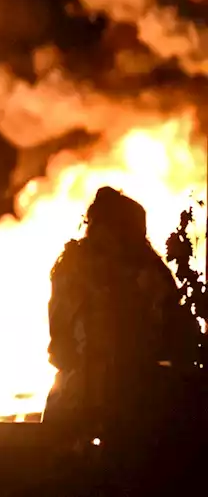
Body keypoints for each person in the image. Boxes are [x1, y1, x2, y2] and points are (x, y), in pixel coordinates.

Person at [44, 187, 201, 486]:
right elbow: (174, 337)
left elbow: (59, 341)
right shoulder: (152, 272)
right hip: (144, 395)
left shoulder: (72, 267)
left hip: (88, 397)